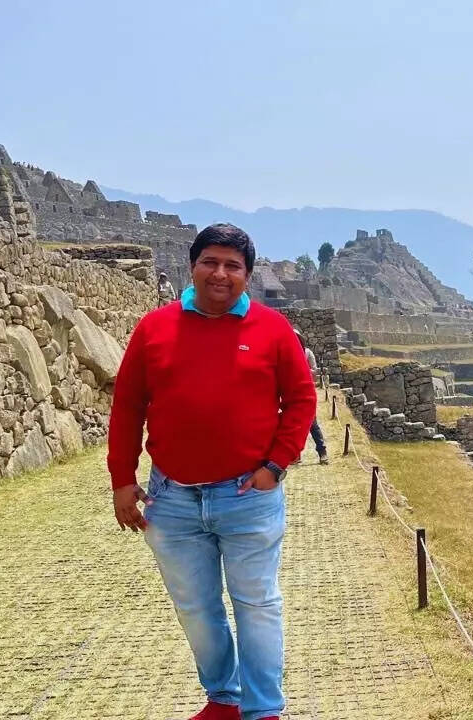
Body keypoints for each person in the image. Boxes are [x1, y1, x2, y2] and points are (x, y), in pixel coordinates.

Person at [108, 223, 317, 720]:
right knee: (197, 610)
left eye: (233, 266)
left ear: (247, 275)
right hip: (172, 498)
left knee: (257, 604)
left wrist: (275, 465)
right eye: (211, 262)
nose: (220, 274)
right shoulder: (154, 328)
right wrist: (121, 477)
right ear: (192, 265)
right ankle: (224, 699)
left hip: (248, 496)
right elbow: (127, 404)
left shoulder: (272, 330)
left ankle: (264, 710)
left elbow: (302, 398)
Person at [295, 330, 328, 464]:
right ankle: (295, 455)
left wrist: (300, 369)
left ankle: (322, 452)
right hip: (290, 394)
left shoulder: (307, 353)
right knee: (292, 426)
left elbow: (314, 372)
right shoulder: (285, 354)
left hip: (306, 393)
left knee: (312, 424)